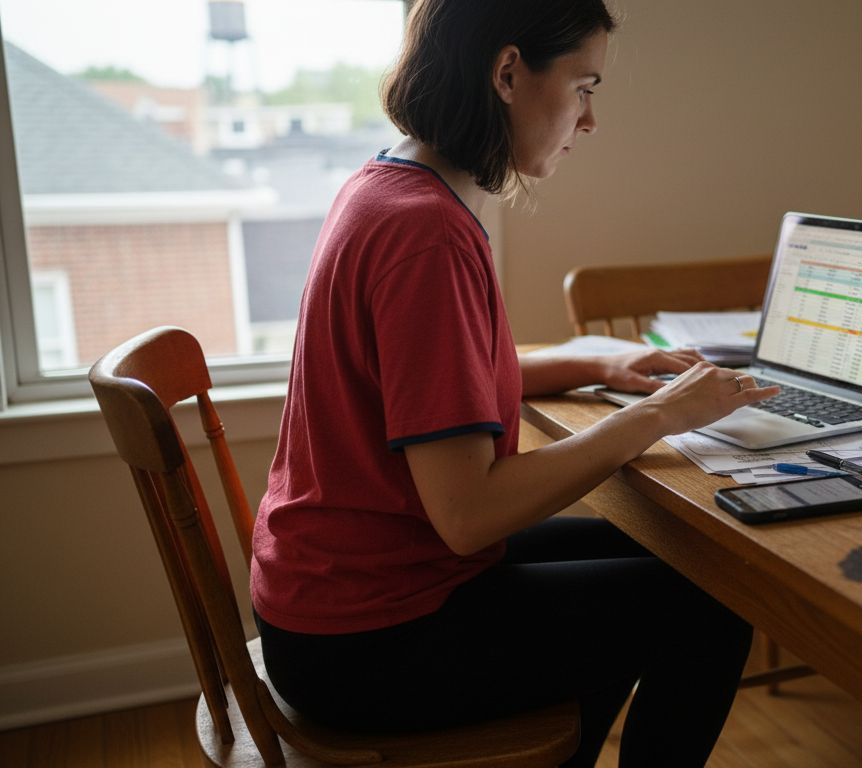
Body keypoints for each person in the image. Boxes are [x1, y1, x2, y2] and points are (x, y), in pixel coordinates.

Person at [248, 1, 779, 765]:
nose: (590, 119)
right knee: (714, 599)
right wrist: (658, 414)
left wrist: (600, 365)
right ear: (507, 72)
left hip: (333, 596)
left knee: (680, 560)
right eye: (584, 85)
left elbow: (428, 380)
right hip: (369, 637)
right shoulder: (426, 234)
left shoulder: (387, 186)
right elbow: (469, 514)